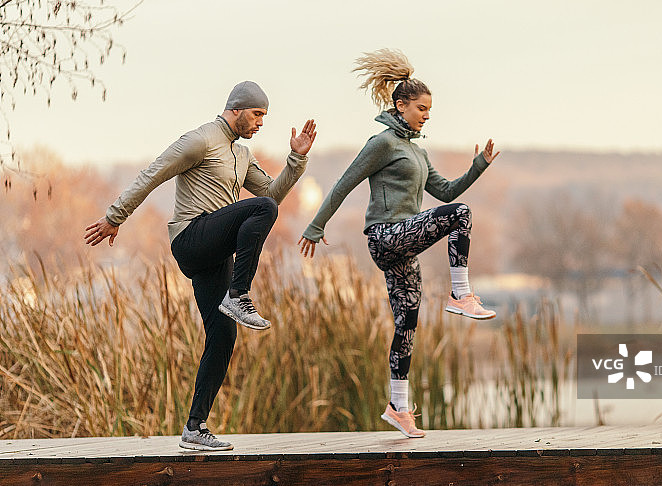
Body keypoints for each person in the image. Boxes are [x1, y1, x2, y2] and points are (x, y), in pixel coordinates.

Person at [85, 81, 317, 450]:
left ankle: (195, 428)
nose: (261, 122)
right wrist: (116, 216)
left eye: (264, 116)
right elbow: (153, 173)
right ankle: (239, 295)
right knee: (262, 210)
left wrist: (296, 160)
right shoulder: (200, 140)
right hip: (191, 238)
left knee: (223, 336)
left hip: (215, 251)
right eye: (257, 114)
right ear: (236, 108)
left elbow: (270, 197)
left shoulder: (242, 154)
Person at [298, 49, 499, 438]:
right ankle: (461, 295)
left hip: (404, 243)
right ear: (401, 105)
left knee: (407, 322)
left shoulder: (417, 152)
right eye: (421, 108)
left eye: (430, 110)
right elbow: (344, 183)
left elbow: (445, 192)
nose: (426, 115)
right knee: (461, 214)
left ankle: (399, 408)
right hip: (386, 237)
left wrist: (478, 167)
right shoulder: (383, 143)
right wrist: (315, 225)